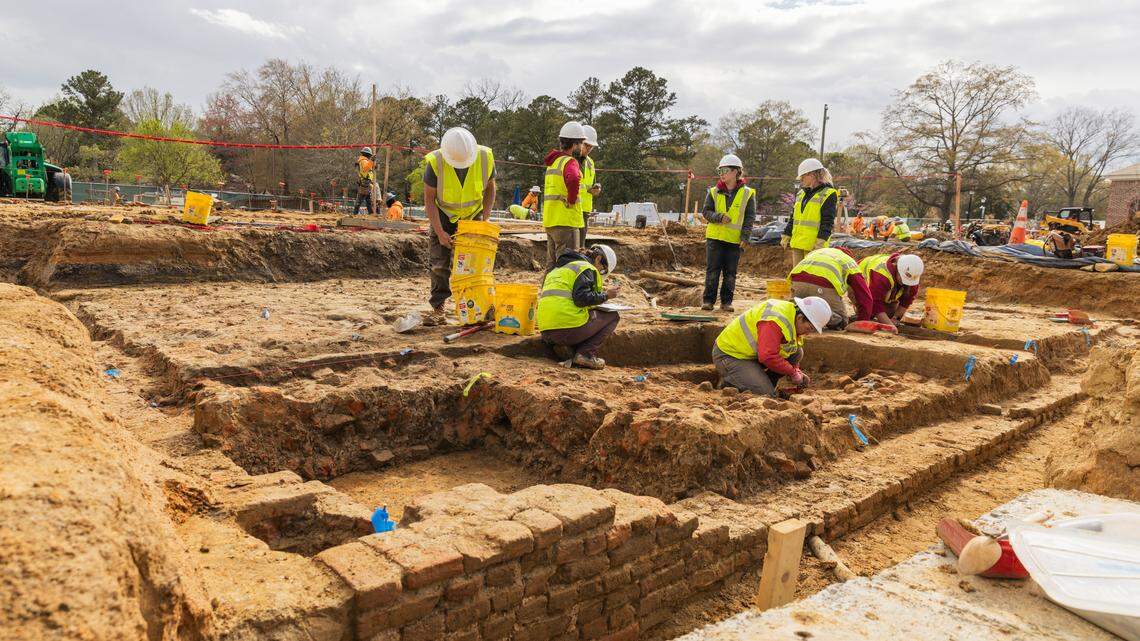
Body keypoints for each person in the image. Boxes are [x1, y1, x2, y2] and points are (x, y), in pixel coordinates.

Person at [423, 127, 496, 325]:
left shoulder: (484, 157)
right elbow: (429, 200)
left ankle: (474, 307)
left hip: (473, 214)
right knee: (439, 264)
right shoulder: (435, 162)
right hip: (444, 213)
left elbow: (490, 189)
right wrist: (439, 232)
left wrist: (485, 218)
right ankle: (438, 307)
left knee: (473, 264)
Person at [712, 296, 831, 397]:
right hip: (730, 355)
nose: (808, 333)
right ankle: (730, 383)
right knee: (766, 395)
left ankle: (760, 380)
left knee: (797, 353)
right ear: (800, 318)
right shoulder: (775, 320)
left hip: (752, 353)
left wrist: (796, 369)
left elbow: (792, 348)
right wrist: (792, 372)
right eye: (809, 328)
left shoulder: (792, 316)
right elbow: (768, 356)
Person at [536, 244, 620, 370]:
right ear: (598, 259)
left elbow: (569, 298)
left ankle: (569, 348)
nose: (600, 272)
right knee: (613, 316)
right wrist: (606, 295)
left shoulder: (558, 269)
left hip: (546, 331)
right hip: (565, 330)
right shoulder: (584, 268)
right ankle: (585, 354)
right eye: (602, 269)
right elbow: (582, 298)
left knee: (586, 314)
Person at [700, 153, 756, 312]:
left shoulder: (748, 193)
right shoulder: (713, 192)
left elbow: (749, 217)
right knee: (712, 271)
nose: (722, 174)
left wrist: (745, 236)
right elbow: (706, 212)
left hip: (734, 240)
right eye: (720, 171)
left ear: (736, 172)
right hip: (715, 238)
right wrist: (718, 217)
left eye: (725, 170)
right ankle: (708, 301)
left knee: (730, 273)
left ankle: (726, 302)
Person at [789, 247, 874, 329]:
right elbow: (865, 296)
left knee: (801, 307)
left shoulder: (818, 252)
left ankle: (798, 309)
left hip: (797, 282)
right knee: (842, 322)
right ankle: (825, 316)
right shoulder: (849, 261)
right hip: (823, 286)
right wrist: (863, 320)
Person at [543, 121, 587, 267]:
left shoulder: (554, 162)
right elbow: (574, 178)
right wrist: (572, 200)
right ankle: (564, 291)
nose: (582, 148)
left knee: (551, 264)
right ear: (574, 144)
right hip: (566, 222)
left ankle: (547, 290)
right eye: (581, 144)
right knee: (568, 265)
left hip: (551, 221)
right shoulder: (570, 162)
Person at [782, 158, 838, 267]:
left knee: (811, 279)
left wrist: (820, 243)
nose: (801, 179)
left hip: (814, 246)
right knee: (798, 277)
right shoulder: (801, 194)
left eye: (803, 176)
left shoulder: (829, 194)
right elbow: (794, 217)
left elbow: (827, 222)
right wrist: (787, 233)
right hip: (798, 243)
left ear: (812, 175)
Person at [859, 253, 923, 327]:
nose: (904, 282)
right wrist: (890, 326)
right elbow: (875, 302)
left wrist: (895, 318)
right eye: (903, 279)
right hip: (858, 283)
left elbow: (907, 300)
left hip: (881, 287)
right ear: (897, 269)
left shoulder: (912, 276)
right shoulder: (881, 275)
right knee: (866, 314)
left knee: (889, 315)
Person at [578, 125, 602, 242]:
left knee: (581, 245)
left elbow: (592, 183)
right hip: (572, 208)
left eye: (591, 147)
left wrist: (596, 189)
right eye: (586, 145)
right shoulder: (571, 160)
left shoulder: (590, 163)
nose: (588, 149)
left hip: (585, 210)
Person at [353, 147, 376, 215]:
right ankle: (355, 213)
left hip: (365, 181)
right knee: (361, 198)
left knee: (367, 199)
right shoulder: (364, 161)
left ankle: (371, 213)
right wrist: (371, 161)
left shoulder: (363, 160)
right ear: (367, 154)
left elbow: (367, 169)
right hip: (365, 181)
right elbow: (366, 168)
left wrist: (372, 164)